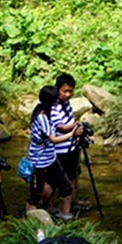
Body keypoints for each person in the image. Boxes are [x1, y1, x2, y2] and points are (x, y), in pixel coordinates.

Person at [26, 85, 80, 221]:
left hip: (51, 158)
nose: (58, 100)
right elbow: (53, 139)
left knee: (66, 187)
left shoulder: (47, 112)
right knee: (35, 196)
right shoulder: (42, 117)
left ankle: (65, 216)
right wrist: (72, 134)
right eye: (56, 99)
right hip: (39, 162)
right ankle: (30, 221)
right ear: (51, 101)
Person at [50, 72, 86, 209]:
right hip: (59, 149)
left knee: (73, 176)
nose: (68, 94)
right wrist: (74, 128)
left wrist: (76, 126)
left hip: (71, 146)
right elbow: (59, 127)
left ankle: (72, 202)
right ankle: (52, 207)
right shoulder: (53, 105)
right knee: (55, 180)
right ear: (57, 89)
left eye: (70, 91)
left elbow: (69, 121)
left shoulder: (67, 104)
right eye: (65, 91)